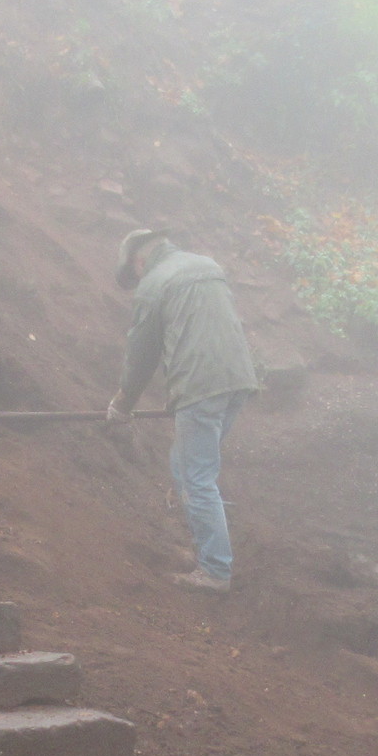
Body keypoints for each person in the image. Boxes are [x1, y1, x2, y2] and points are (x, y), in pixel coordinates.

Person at [108, 229, 262, 593]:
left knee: (196, 477)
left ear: (138, 261)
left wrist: (122, 405)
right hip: (238, 379)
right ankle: (213, 542)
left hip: (200, 387)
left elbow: (142, 355)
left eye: (134, 275)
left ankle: (215, 570)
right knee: (186, 465)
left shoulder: (153, 283)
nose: (137, 281)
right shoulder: (206, 266)